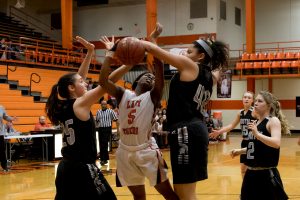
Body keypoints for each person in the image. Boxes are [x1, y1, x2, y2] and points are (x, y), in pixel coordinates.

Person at [138, 25, 229, 199]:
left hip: (185, 130)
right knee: (183, 192)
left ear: (200, 56)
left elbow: (151, 49)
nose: (185, 55)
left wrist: (130, 44)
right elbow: (219, 68)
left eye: (188, 51)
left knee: (185, 195)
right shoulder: (211, 77)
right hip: (194, 130)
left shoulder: (190, 66)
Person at [46, 36, 134, 200]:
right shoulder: (80, 104)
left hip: (65, 169)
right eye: (82, 82)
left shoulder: (63, 105)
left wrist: (90, 52)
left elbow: (78, 77)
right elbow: (107, 81)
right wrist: (123, 62)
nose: (86, 83)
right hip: (83, 168)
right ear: (71, 88)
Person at [99, 23, 179, 200]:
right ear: (136, 83)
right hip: (124, 152)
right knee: (138, 198)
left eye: (152, 77)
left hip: (146, 151)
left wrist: (152, 42)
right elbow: (103, 81)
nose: (150, 76)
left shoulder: (153, 96)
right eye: (146, 75)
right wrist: (110, 53)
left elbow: (158, 67)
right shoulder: (123, 94)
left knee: (169, 194)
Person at [230, 91, 289, 200]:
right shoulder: (256, 123)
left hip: (266, 174)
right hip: (250, 173)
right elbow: (257, 147)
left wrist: (257, 134)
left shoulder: (272, 121)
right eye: (255, 100)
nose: (255, 103)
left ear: (269, 106)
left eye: (260, 101)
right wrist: (240, 151)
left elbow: (276, 143)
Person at [209, 91, 255, 178]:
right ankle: (245, 190)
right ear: (242, 99)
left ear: (252, 100)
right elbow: (231, 126)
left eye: (249, 98)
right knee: (243, 170)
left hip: (252, 143)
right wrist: (219, 131)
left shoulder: (254, 112)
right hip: (244, 142)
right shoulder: (240, 113)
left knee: (252, 169)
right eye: (245, 97)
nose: (246, 99)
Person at [95, 100, 118, 165]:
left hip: (107, 129)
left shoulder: (110, 111)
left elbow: (115, 118)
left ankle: (104, 159)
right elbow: (97, 120)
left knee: (104, 144)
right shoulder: (98, 111)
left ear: (106, 105)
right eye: (102, 104)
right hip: (101, 129)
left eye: (104, 104)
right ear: (101, 105)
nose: (103, 105)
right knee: (101, 144)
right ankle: (103, 158)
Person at [0, 105, 16, 171]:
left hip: (0, 132)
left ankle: (4, 165)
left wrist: (12, 119)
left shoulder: (1, 108)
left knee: (1, 149)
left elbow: (5, 117)